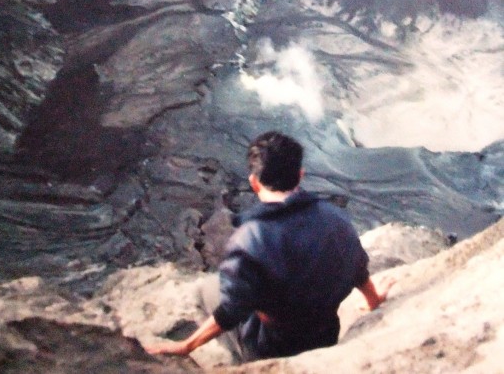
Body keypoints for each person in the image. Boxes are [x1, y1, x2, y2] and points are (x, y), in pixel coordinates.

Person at [146, 131, 393, 362]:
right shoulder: (335, 217)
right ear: (300, 175)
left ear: (254, 182)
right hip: (325, 334)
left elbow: (232, 310)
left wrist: (185, 346)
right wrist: (373, 300)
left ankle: (242, 361)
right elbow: (357, 267)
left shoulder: (250, 238)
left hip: (272, 346)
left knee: (208, 288)